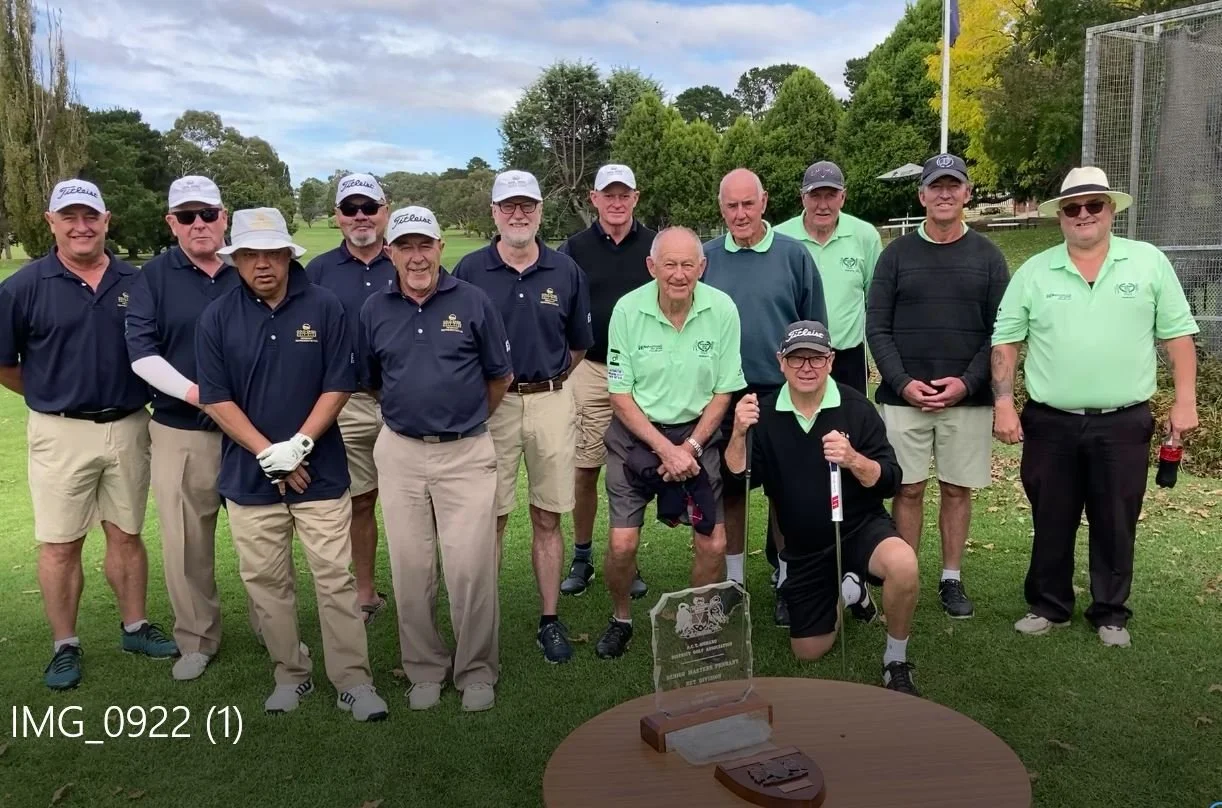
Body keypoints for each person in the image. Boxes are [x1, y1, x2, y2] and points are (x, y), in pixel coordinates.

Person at [991, 167, 1200, 648]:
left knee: (1116, 520)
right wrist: (1003, 403)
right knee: (1051, 517)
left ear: (1110, 210)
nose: (1083, 214)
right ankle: (1049, 605)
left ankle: (1110, 612)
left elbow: (1177, 336)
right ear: (1060, 216)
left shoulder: (1147, 262)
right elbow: (1006, 342)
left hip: (1123, 420)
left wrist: (1185, 399)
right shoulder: (1034, 271)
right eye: (1072, 207)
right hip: (1050, 422)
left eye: (1093, 205)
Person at [195, 207, 387, 720]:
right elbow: (216, 398)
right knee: (266, 583)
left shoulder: (324, 305)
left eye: (272, 254)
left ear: (287, 255)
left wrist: (298, 446)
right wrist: (270, 454)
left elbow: (338, 383)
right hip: (250, 476)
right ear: (236, 259)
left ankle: (353, 681)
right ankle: (291, 674)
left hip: (320, 473)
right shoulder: (217, 316)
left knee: (335, 579)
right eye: (250, 255)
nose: (262, 264)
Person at [0, 179, 177, 691]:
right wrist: (51, 391)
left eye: (90, 216)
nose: (81, 227)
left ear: (106, 220)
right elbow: (4, 363)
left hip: (129, 424)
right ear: (51, 222)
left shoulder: (136, 281)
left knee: (126, 533)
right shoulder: (23, 286)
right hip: (59, 431)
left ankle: (135, 627)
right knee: (60, 543)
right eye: (69, 217)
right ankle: (65, 645)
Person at [362, 206, 514, 712]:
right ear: (390, 253)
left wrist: (465, 417)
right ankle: (424, 669)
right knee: (411, 567)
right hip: (401, 451)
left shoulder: (472, 301)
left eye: (424, 245)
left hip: (467, 451)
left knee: (470, 568)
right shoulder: (374, 309)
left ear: (439, 248)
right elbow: (373, 380)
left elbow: (500, 376)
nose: (416, 257)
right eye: (405, 246)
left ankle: (476, 670)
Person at [724, 321, 921, 695]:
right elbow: (739, 480)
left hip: (860, 527)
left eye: (815, 358)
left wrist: (854, 460)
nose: (806, 367)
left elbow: (891, 479)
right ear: (781, 362)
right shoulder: (764, 414)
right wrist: (737, 433)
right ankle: (850, 592)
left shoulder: (856, 407)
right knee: (808, 651)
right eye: (796, 359)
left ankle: (895, 659)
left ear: (830, 360)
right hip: (806, 547)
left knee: (903, 564)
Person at [451, 170, 594, 665]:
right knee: (490, 517)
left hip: (551, 398)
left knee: (548, 514)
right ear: (494, 212)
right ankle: (481, 624)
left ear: (539, 211)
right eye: (509, 206)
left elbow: (578, 345)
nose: (518, 214)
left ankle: (549, 619)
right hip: (494, 406)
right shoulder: (469, 269)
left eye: (527, 205)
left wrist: (546, 382)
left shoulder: (564, 270)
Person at [866, 153, 1010, 620]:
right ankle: (904, 575)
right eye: (936, 186)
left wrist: (967, 383)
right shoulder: (895, 255)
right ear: (921, 195)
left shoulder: (988, 257)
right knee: (906, 489)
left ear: (967, 193)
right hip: (904, 399)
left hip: (966, 401)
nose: (944, 194)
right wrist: (902, 383)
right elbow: (877, 328)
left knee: (955, 490)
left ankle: (951, 578)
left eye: (953, 185)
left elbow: (1001, 332)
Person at [593, 226, 745, 659]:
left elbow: (724, 390)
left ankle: (697, 622)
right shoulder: (627, 310)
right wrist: (666, 449)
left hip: (698, 433)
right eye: (669, 265)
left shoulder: (722, 308)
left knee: (713, 543)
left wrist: (691, 447)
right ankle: (621, 618)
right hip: (636, 435)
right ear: (651, 266)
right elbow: (620, 395)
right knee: (622, 545)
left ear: (702, 267)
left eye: (688, 265)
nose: (679, 274)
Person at [125, 175, 248, 681]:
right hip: (181, 430)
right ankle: (197, 639)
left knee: (260, 538)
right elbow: (142, 354)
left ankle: (275, 627)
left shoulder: (250, 265)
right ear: (171, 223)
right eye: (187, 216)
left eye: (208, 214)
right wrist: (203, 396)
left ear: (224, 217)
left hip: (251, 432)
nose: (199, 224)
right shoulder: (153, 277)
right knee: (186, 543)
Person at [702, 167, 827, 627]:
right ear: (721, 208)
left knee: (783, 492)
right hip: (724, 394)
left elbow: (815, 329)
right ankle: (734, 583)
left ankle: (786, 580)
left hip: (783, 392)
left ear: (764, 202)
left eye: (748, 204)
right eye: (731, 205)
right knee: (731, 489)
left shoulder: (794, 256)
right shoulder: (706, 258)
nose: (740, 214)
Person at [556, 163, 655, 599]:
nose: (617, 203)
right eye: (608, 195)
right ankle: (582, 555)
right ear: (593, 199)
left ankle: (625, 558)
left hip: (643, 372)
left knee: (631, 468)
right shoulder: (573, 249)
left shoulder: (654, 246)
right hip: (590, 368)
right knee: (585, 467)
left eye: (624, 195)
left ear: (636, 198)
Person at [305, 173, 395, 624]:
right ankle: (364, 592)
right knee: (359, 500)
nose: (361, 216)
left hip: (404, 401)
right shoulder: (317, 272)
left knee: (421, 501)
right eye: (350, 208)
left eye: (369, 207)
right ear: (338, 217)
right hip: (347, 402)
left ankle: (423, 589)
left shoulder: (409, 256)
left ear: (385, 211)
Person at [774, 161, 881, 394]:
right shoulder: (779, 237)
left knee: (852, 417)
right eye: (815, 196)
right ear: (803, 197)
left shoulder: (865, 236)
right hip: (796, 357)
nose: (823, 205)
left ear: (843, 197)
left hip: (848, 358)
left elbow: (875, 302)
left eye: (830, 195)